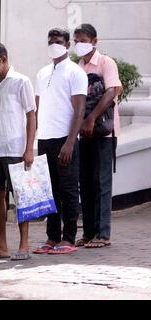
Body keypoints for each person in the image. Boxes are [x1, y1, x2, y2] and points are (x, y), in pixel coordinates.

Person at [0, 42, 37, 261]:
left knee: (20, 196)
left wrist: (29, 148)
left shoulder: (22, 81)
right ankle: (1, 245)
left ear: (3, 59)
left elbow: (31, 115)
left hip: (15, 148)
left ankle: (23, 245)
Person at [33, 28, 87, 255]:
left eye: (58, 41)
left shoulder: (75, 72)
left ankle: (68, 238)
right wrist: (34, 140)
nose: (54, 44)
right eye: (50, 41)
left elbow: (79, 110)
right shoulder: (42, 73)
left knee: (68, 190)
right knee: (49, 192)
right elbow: (36, 109)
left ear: (67, 45)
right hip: (44, 139)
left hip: (64, 140)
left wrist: (70, 142)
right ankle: (52, 237)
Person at [73, 24, 123, 249]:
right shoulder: (78, 66)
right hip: (84, 133)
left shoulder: (106, 63)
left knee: (102, 183)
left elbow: (111, 91)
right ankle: (89, 232)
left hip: (103, 132)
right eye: (76, 40)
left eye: (82, 39)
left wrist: (91, 118)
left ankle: (103, 234)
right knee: (86, 183)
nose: (78, 44)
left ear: (94, 41)